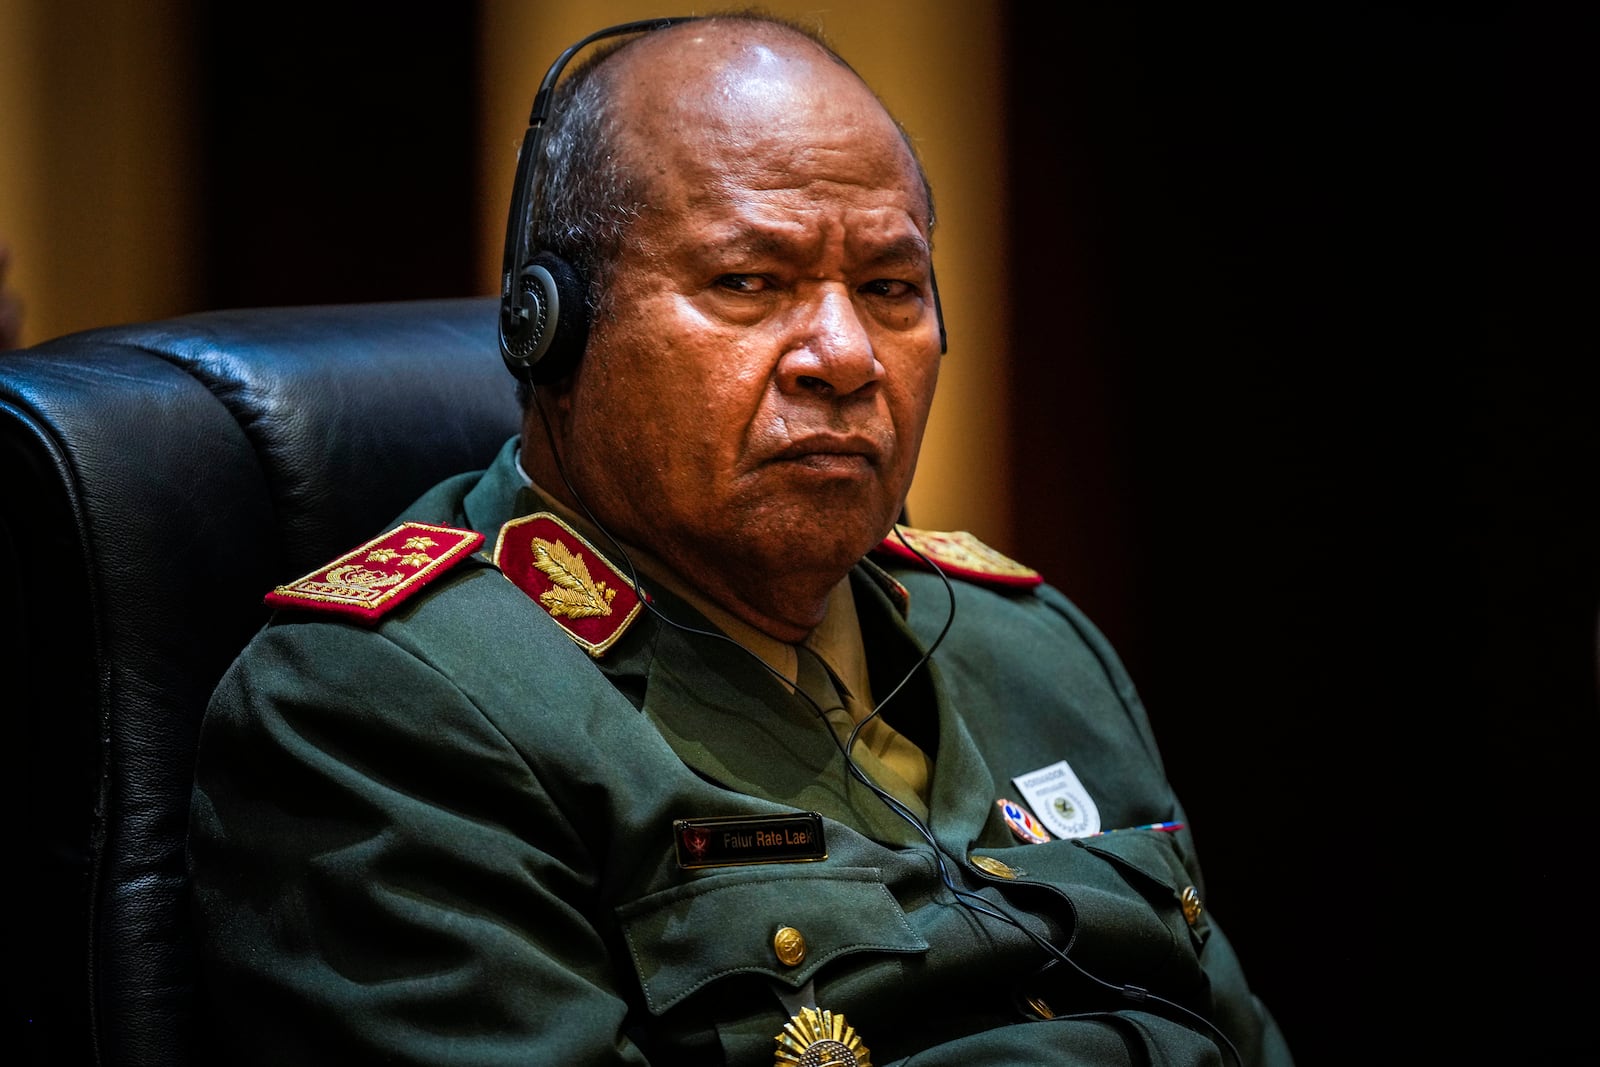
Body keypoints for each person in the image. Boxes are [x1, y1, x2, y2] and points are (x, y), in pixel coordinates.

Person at [188, 12, 1294, 1066]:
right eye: (750, 283)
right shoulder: (382, 709)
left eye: (891, 288)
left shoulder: (1036, 646)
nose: (844, 354)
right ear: (551, 323)